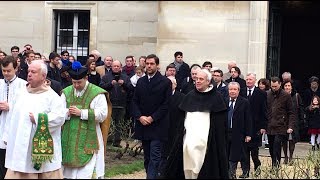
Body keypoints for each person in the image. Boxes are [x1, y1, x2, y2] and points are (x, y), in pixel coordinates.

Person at [2, 60, 65, 178]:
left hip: (42, 151)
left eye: (33, 72)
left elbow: (60, 117)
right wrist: (7, 136)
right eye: (29, 71)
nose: (29, 74)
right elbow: (11, 116)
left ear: (43, 76)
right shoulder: (20, 93)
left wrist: (38, 119)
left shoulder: (52, 97)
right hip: (19, 146)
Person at [165, 69, 229, 179]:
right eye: (196, 79)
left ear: (208, 81)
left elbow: (220, 125)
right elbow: (181, 120)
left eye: (201, 79)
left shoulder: (216, 98)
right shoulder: (190, 96)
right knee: (187, 155)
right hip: (189, 136)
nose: (198, 81)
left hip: (207, 139)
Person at [60, 61, 112, 179]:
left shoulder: (97, 93)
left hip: (90, 135)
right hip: (69, 136)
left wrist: (81, 113)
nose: (76, 85)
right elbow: (59, 112)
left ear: (86, 78)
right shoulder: (66, 92)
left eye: (79, 82)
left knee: (87, 172)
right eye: (74, 82)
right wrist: (67, 112)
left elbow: (103, 114)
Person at [132, 54, 172, 179]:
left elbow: (166, 105)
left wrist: (152, 118)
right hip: (143, 125)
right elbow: (134, 101)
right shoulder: (141, 81)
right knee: (147, 157)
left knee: (155, 157)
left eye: (152, 64)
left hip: (158, 126)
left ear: (157, 65)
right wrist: (140, 117)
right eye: (147, 64)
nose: (149, 66)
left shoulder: (165, 82)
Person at [0, 56, 28, 179]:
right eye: (4, 70)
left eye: (9, 71)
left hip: (14, 128)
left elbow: (26, 106)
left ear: (16, 69)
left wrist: (10, 106)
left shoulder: (23, 85)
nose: (6, 73)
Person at [239, 73, 267, 178]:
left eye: (250, 79)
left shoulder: (261, 93)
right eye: (247, 79)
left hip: (256, 127)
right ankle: (245, 172)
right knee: (244, 152)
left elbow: (264, 111)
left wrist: (263, 126)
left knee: (254, 152)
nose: (248, 81)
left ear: (255, 80)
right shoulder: (241, 91)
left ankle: (257, 167)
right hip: (243, 126)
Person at [100, 60, 131, 148]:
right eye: (114, 66)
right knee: (109, 123)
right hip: (109, 104)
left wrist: (124, 84)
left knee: (119, 124)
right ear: (112, 67)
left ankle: (117, 141)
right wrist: (110, 84)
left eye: (118, 66)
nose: (116, 68)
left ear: (120, 67)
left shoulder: (125, 77)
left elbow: (130, 88)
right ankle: (108, 140)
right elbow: (101, 87)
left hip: (121, 104)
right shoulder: (106, 77)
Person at [267, 76, 295, 168]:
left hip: (281, 126)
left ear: (279, 84)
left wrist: (290, 126)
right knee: (271, 148)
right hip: (270, 125)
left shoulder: (286, 96)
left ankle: (275, 166)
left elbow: (291, 112)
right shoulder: (268, 94)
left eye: (275, 86)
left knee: (276, 146)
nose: (273, 88)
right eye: (272, 86)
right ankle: (274, 163)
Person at [226, 82, 252, 179]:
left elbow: (248, 119)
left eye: (234, 89)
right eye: (230, 89)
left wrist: (248, 134)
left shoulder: (244, 102)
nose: (232, 91)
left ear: (238, 90)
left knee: (236, 155)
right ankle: (229, 174)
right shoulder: (224, 101)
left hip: (239, 133)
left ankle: (233, 174)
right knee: (227, 154)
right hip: (226, 133)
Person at [281, 80, 304, 164]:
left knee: (292, 140)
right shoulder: (280, 96)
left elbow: (300, 108)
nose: (287, 87)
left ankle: (291, 156)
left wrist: (301, 120)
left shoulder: (296, 96)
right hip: (283, 121)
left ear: (291, 87)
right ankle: (285, 157)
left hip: (294, 121)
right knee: (284, 140)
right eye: (285, 86)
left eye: (288, 86)